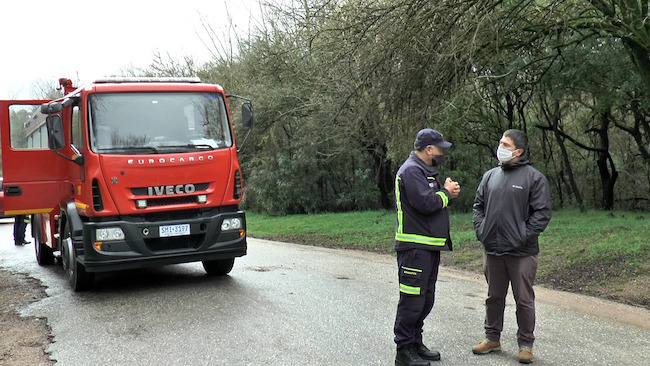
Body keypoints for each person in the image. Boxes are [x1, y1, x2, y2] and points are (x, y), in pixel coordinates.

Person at [471, 129, 552, 364]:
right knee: (494, 297)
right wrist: (482, 230)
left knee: (523, 299)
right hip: (493, 249)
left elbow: (542, 214)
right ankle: (492, 338)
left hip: (522, 253)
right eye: (500, 143)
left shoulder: (534, 178)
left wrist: (521, 236)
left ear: (518, 151)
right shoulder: (490, 176)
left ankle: (525, 344)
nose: (501, 148)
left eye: (506, 144)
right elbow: (478, 207)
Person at [393, 128, 460, 366]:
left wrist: (444, 191)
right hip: (414, 249)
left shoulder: (425, 171)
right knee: (411, 301)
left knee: (425, 299)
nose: (442, 152)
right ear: (429, 149)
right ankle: (404, 350)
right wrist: (447, 194)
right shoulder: (411, 171)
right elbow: (426, 202)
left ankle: (415, 342)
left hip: (429, 247)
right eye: (440, 148)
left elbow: (433, 199)